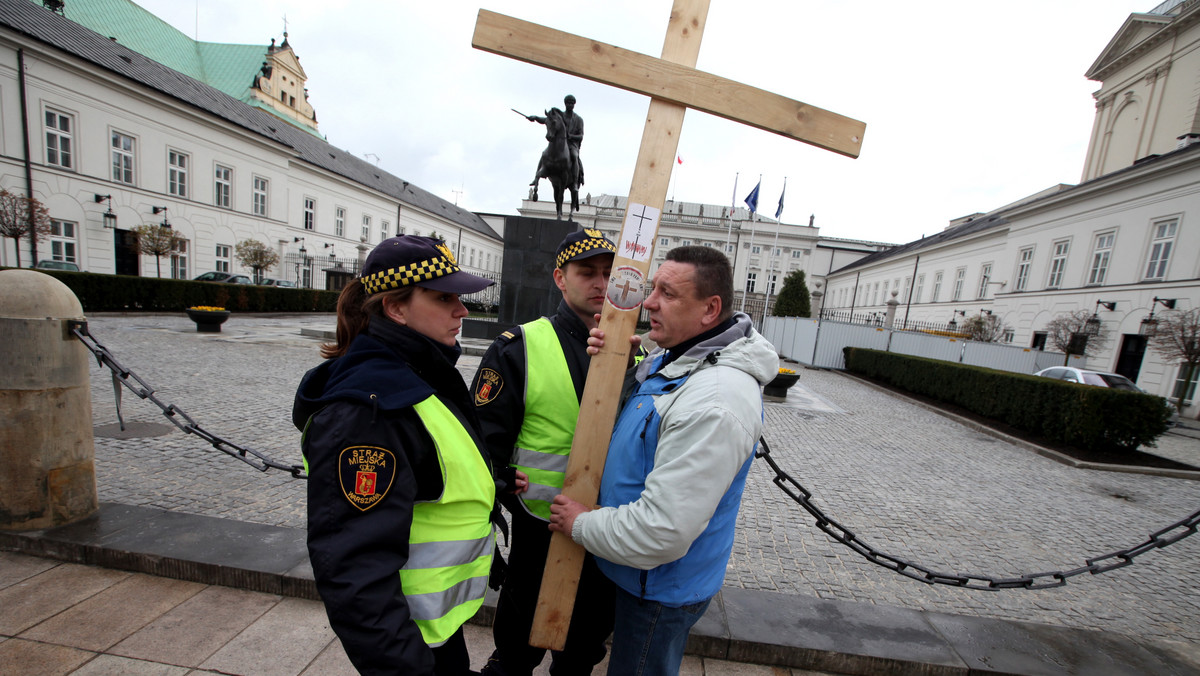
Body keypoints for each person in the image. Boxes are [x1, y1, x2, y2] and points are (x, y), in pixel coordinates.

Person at [547, 246, 778, 676]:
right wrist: (615, 366)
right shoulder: (681, 357)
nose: (648, 302)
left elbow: (661, 532)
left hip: (656, 587)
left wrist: (579, 524)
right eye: (653, 288)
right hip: (631, 571)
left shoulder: (716, 399)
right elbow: (638, 429)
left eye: (667, 293)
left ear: (710, 309)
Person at [293, 235, 498, 676]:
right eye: (444, 298)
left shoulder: (417, 371)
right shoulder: (372, 409)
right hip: (410, 645)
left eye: (459, 297)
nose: (462, 310)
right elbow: (354, 574)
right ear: (396, 308)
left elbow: (434, 472)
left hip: (433, 627)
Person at [473, 228, 625, 676]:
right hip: (539, 523)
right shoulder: (519, 346)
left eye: (608, 273)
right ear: (561, 278)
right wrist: (500, 481)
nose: (601, 283)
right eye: (587, 272)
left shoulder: (634, 353)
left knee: (582, 648)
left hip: (605, 526)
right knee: (518, 646)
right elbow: (483, 434)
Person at [528, 94, 584, 189]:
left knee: (574, 156)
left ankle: (575, 182)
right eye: (568, 103)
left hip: (571, 145)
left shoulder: (578, 119)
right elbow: (547, 120)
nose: (570, 105)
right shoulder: (560, 116)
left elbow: (581, 136)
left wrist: (571, 136)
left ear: (574, 104)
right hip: (558, 144)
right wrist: (535, 118)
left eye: (571, 103)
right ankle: (535, 177)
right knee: (544, 155)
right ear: (565, 104)